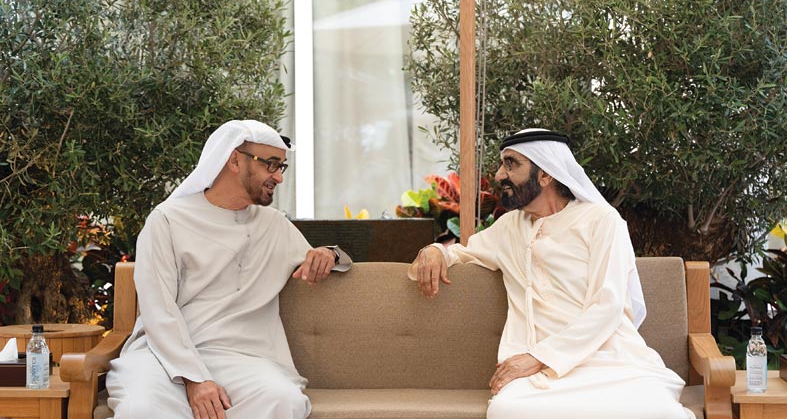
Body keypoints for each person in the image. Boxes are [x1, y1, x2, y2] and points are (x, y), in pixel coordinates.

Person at [410, 128, 693, 419]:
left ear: (545, 174)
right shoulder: (509, 227)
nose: (499, 175)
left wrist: (539, 357)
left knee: (661, 412)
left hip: (609, 360)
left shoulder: (601, 221)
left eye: (510, 164)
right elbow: (463, 253)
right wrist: (435, 250)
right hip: (536, 373)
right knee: (507, 410)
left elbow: (607, 306)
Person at [106, 120, 351, 419]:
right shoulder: (168, 220)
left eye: (281, 167)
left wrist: (330, 253)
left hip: (243, 359)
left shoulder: (273, 225)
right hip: (162, 357)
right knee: (141, 409)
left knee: (283, 400)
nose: (278, 177)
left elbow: (335, 261)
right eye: (271, 165)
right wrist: (195, 379)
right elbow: (158, 309)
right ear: (235, 160)